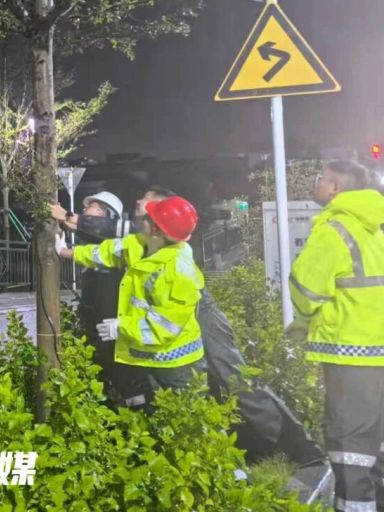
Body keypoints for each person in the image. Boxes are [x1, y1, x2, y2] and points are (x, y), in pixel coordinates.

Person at [135, 186, 324, 466]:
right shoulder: (147, 236)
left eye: (146, 202)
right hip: (187, 320)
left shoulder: (168, 239)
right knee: (210, 384)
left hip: (202, 315)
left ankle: (300, 447)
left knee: (235, 379)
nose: (138, 203)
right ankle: (246, 450)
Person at [287, 160, 384, 511]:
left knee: (349, 449)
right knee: (375, 447)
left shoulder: (333, 231)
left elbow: (305, 289)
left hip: (349, 353)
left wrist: (304, 321)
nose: (317, 183)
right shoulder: (374, 230)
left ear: (334, 188)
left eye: (322, 178)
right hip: (377, 351)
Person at [59, 194, 205, 404]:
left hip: (177, 365)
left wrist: (121, 327)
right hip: (148, 356)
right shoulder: (143, 243)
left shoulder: (179, 272)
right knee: (147, 411)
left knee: (185, 416)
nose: (141, 219)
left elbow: (164, 326)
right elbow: (108, 252)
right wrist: (67, 252)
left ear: (156, 230)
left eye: (148, 217)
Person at [51, 192, 130, 399]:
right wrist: (64, 221)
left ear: (105, 213)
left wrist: (66, 248)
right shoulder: (103, 237)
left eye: (91, 206)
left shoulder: (114, 242)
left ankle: (114, 395)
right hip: (96, 311)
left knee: (106, 352)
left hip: (107, 311)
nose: (85, 210)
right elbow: (87, 231)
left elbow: (98, 242)